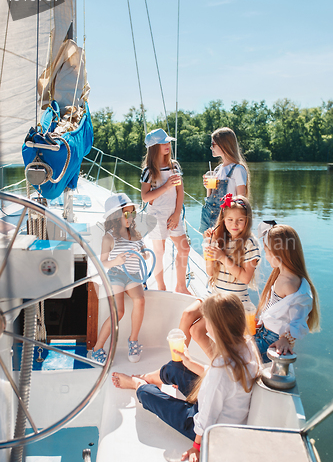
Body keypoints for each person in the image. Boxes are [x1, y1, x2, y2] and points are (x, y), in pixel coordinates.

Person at [112, 293, 261, 462]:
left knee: (146, 395)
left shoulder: (220, 371)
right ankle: (152, 378)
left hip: (207, 428)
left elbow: (207, 415)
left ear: (216, 328)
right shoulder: (247, 345)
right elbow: (221, 381)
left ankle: (138, 384)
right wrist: (190, 364)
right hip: (215, 405)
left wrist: (196, 447)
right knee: (178, 366)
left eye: (207, 321)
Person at [179, 194, 260, 357]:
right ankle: (178, 364)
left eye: (240, 220)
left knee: (197, 330)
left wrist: (223, 257)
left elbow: (245, 278)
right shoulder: (220, 239)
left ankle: (222, 365)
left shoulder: (250, 243)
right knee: (188, 315)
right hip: (214, 294)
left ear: (247, 220)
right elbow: (209, 272)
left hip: (233, 300)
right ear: (223, 219)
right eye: (229, 220)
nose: (234, 224)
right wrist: (209, 245)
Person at [91, 193, 147, 364]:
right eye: (125, 214)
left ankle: (133, 340)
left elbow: (146, 254)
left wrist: (141, 255)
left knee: (140, 301)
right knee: (119, 312)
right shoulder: (109, 237)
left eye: (131, 213)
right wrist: (117, 261)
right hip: (116, 275)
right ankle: (97, 348)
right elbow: (104, 263)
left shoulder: (136, 235)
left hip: (133, 275)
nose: (129, 217)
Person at [254, 222, 320, 363]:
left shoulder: (289, 283)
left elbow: (298, 319)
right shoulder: (283, 275)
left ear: (278, 253)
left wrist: (285, 339)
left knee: (229, 353)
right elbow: (277, 308)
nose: (266, 257)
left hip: (270, 341)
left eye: (267, 252)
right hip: (264, 333)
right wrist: (263, 321)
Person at [140, 128, 191, 294]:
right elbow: (145, 197)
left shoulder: (174, 166)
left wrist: (177, 214)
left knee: (184, 249)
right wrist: (166, 186)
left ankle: (181, 286)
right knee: (159, 252)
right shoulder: (149, 171)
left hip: (173, 215)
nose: (168, 145)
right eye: (164, 143)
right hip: (156, 217)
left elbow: (180, 191)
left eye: (168, 141)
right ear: (155, 147)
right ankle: (161, 287)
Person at [199, 127, 250, 234]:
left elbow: (241, 201)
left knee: (221, 249)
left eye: (213, 144)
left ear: (223, 145)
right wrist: (208, 188)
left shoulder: (238, 169)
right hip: (208, 214)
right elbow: (210, 197)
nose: (210, 147)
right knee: (207, 248)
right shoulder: (218, 169)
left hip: (224, 219)